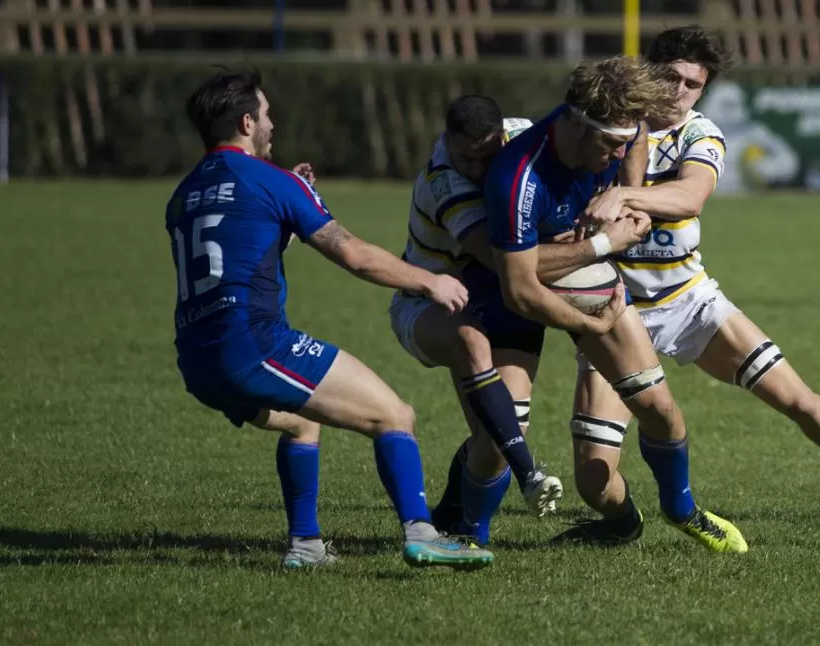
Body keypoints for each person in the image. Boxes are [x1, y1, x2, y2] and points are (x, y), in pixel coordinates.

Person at [552, 26, 820, 553]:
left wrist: (624, 195)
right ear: (649, 72)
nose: (678, 91)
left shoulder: (701, 135)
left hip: (687, 301)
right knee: (592, 479)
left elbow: (691, 196)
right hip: (612, 312)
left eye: (693, 84)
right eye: (669, 76)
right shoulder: (608, 126)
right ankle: (624, 522)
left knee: (799, 402)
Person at [166, 70, 494, 570]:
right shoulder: (271, 181)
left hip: (196, 358)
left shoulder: (185, 193)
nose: (273, 123)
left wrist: (288, 208)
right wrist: (429, 282)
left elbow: (237, 249)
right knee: (395, 415)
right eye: (268, 113)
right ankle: (423, 533)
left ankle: (306, 547)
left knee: (300, 423)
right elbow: (355, 255)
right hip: (254, 344)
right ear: (247, 121)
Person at [484, 55, 749, 553]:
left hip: (584, 275)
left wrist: (631, 198)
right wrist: (605, 247)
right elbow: (518, 287)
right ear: (576, 124)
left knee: (660, 410)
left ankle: (681, 507)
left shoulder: (617, 141)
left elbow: (634, 144)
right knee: (498, 436)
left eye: (625, 142)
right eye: (609, 143)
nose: (615, 154)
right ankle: (463, 532)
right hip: (518, 288)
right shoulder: (518, 176)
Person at [391, 96, 650, 544]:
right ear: (447, 141)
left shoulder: (524, 135)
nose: (476, 168)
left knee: (492, 438)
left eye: (486, 157)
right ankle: (472, 535)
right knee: (494, 431)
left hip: (503, 298)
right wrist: (602, 245)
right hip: (434, 304)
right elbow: (504, 263)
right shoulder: (444, 185)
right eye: (465, 157)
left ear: (501, 138)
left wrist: (622, 194)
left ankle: (453, 520)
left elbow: (626, 124)